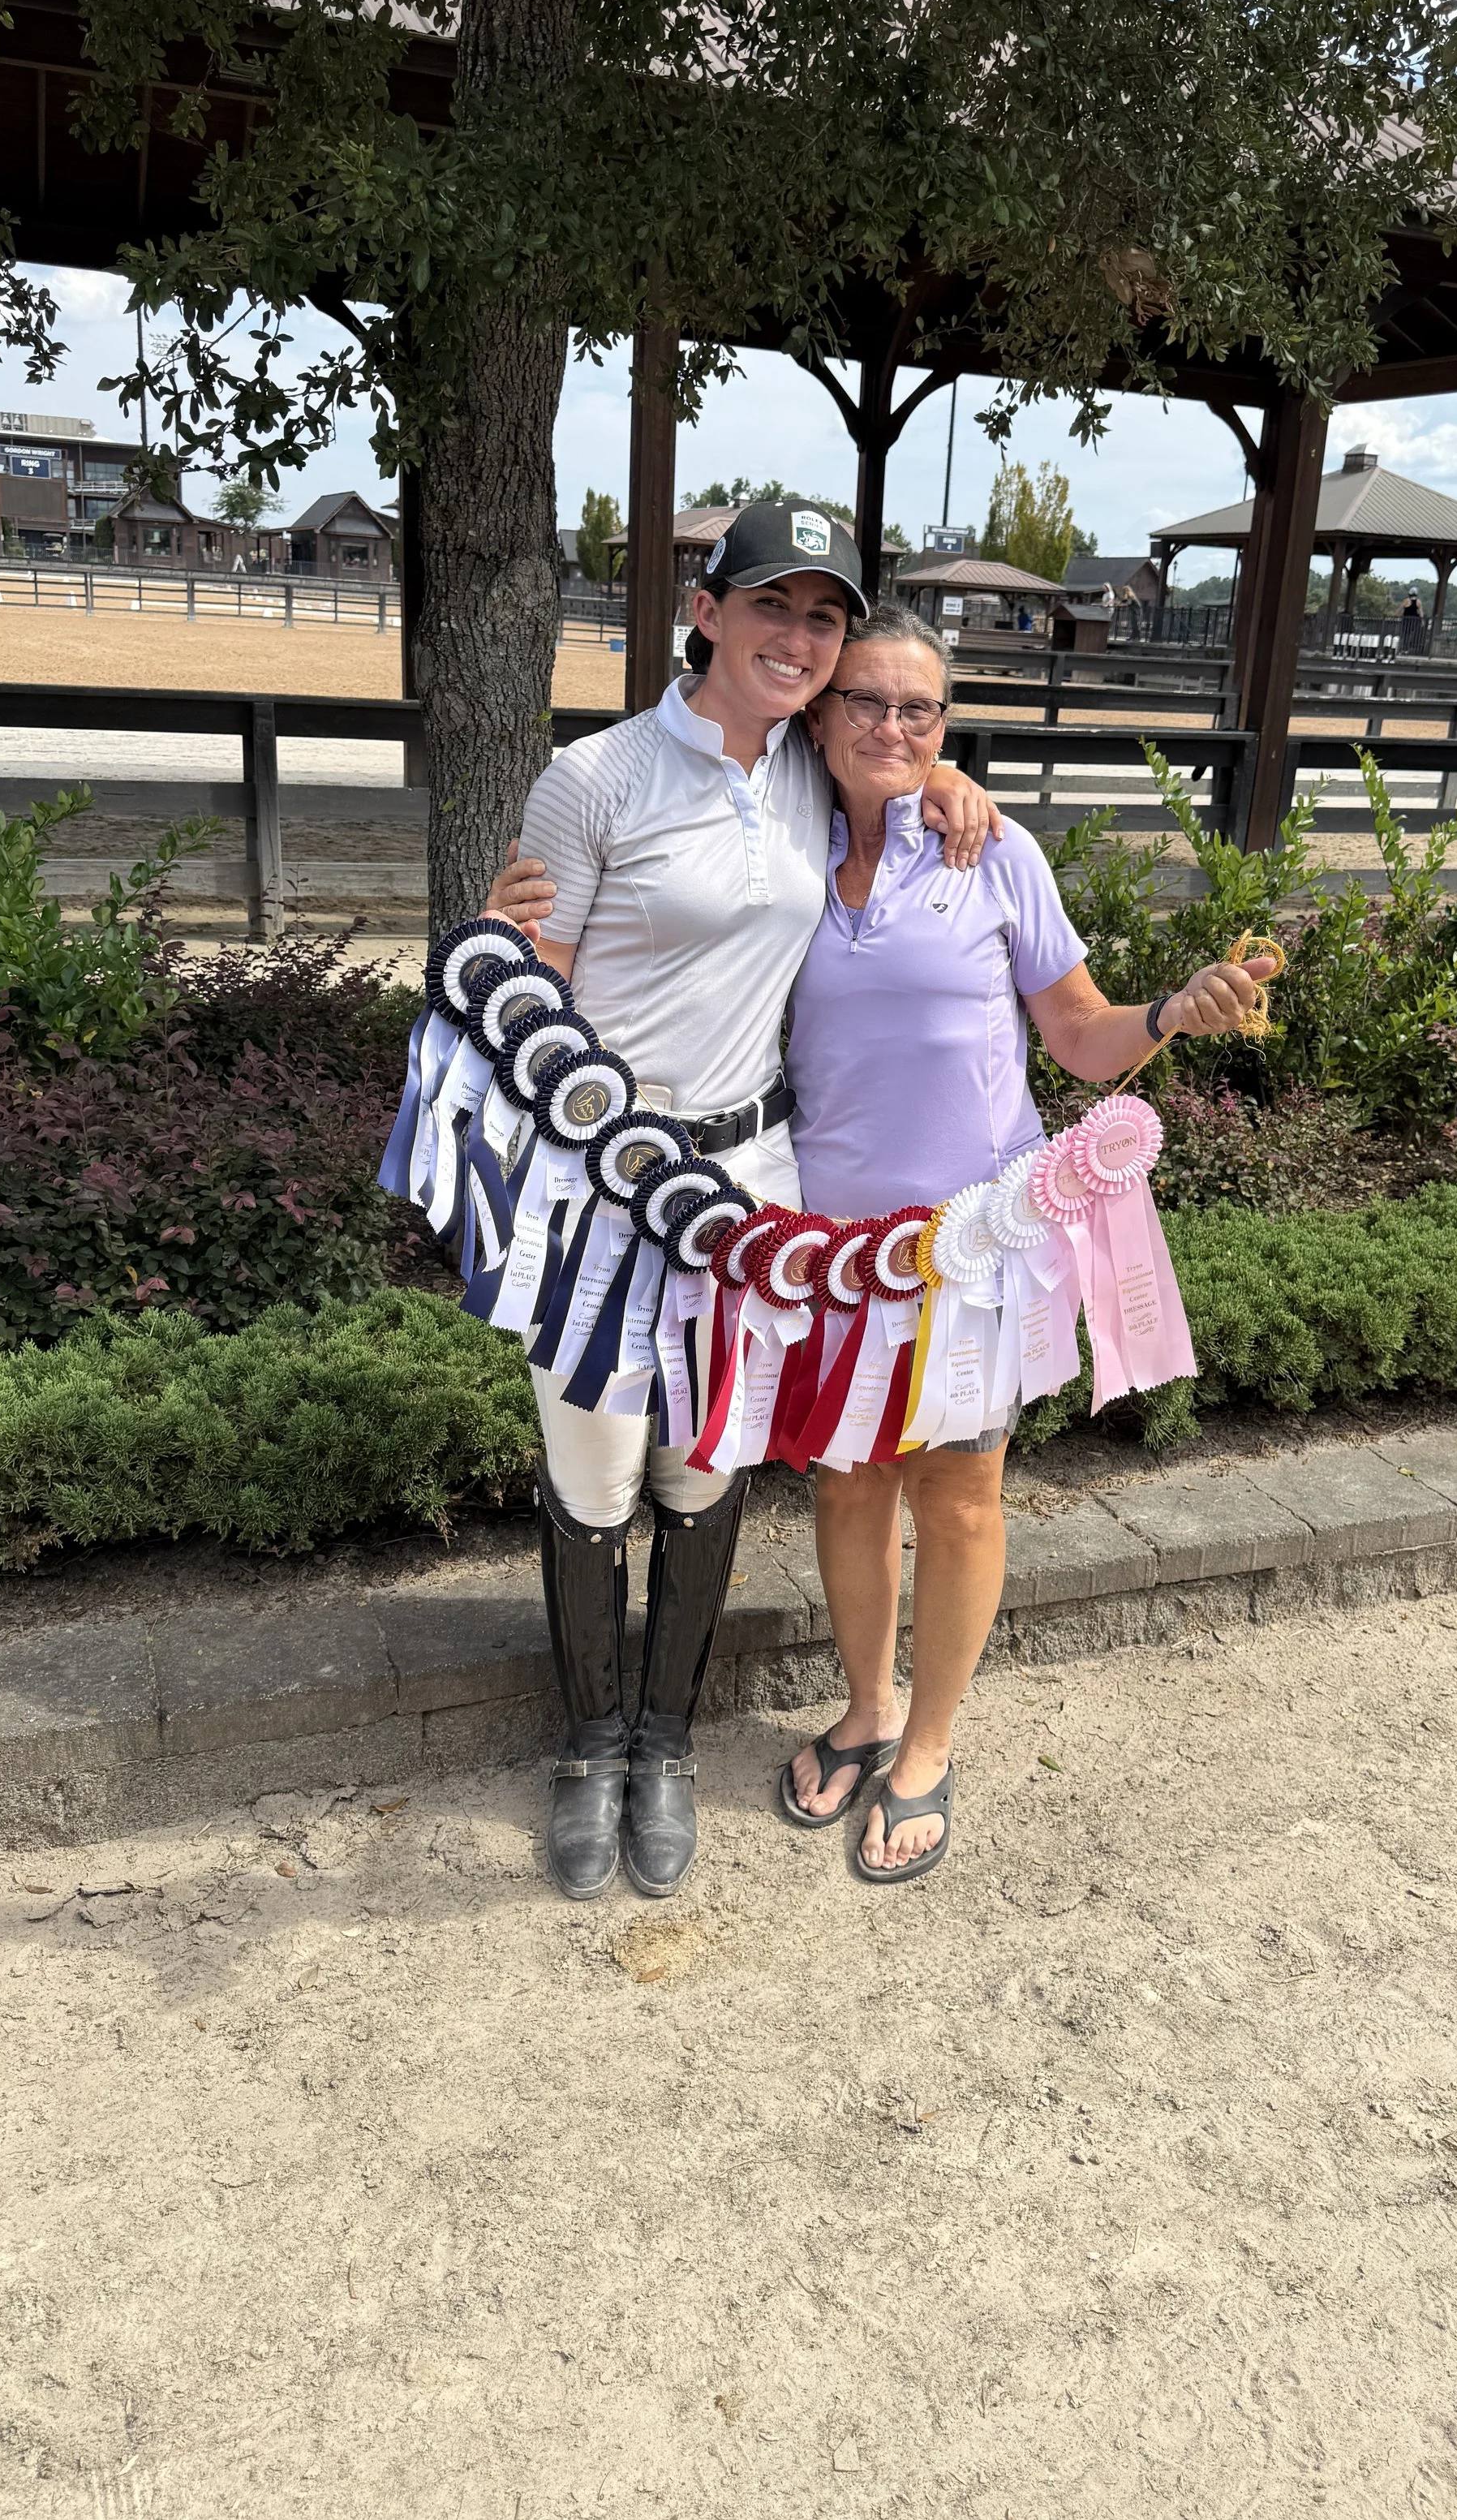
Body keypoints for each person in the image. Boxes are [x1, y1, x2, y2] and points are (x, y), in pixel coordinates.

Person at [488, 506, 1004, 1903]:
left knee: (704, 1464)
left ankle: (666, 1739)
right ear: (703, 612)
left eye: (823, 618)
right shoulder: (591, 779)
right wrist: (491, 944)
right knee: (596, 1472)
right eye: (771, 605)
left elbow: (899, 762)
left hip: (749, 1187)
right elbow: (526, 988)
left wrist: (950, 783)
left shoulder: (804, 774)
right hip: (604, 1187)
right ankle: (594, 1745)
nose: (798, 637)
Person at [777, 604, 1279, 1881]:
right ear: (821, 714)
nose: (894, 727)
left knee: (957, 1493)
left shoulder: (998, 857)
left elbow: (1080, 1035)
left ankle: (928, 1743)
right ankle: (866, 1706)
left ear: (947, 728)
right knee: (848, 1480)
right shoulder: (774, 835)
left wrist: (1173, 1010)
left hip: (972, 1242)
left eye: (923, 712)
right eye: (870, 702)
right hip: (828, 1247)